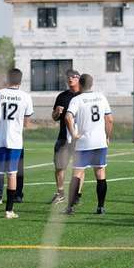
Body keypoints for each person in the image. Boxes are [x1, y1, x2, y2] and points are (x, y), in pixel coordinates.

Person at [0, 68, 34, 219]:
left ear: (7, 79)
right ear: (20, 80)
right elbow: (26, 123)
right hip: (15, 140)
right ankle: (9, 211)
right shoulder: (25, 97)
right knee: (12, 175)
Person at [63, 73, 113, 215]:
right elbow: (109, 119)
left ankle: (70, 207)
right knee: (100, 173)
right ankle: (101, 207)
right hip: (99, 142)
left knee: (77, 173)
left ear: (80, 84)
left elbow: (68, 117)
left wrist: (73, 133)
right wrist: (108, 136)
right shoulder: (101, 97)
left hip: (84, 143)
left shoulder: (77, 99)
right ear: (92, 84)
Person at [50, 69, 82, 204]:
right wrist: (57, 112)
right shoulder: (62, 96)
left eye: (74, 77)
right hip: (64, 136)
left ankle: (77, 195)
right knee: (59, 166)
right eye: (68, 77)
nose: (70, 79)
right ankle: (61, 192)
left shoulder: (84, 96)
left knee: (79, 167)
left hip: (80, 137)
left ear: (79, 79)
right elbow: (54, 117)